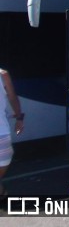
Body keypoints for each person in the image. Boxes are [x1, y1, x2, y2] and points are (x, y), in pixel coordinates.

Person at [1, 68, 24, 199]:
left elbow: (12, 97)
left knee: (4, 162)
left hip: (1, 131)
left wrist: (19, 118)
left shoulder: (3, 75)